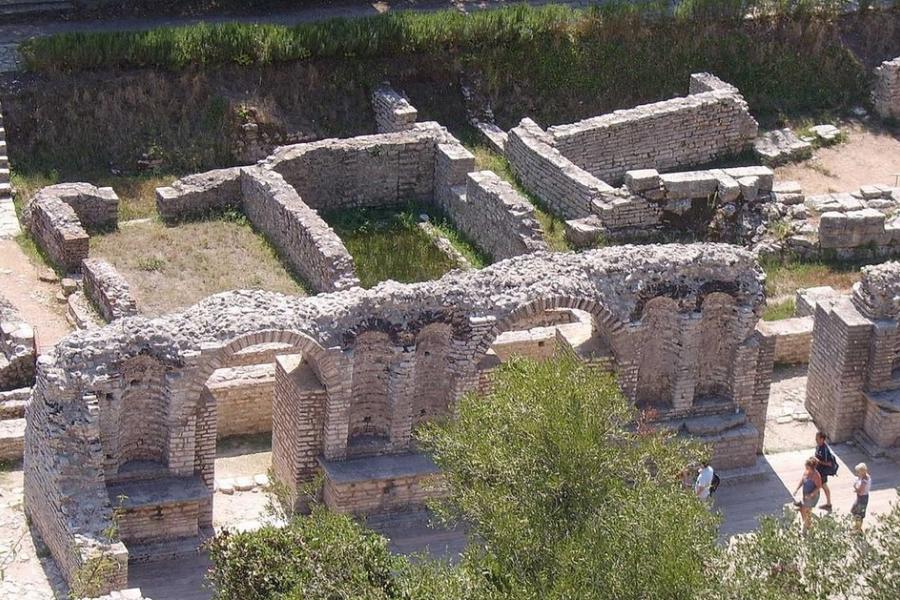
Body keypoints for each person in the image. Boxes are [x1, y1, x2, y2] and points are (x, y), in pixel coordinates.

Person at [793, 457, 823, 532]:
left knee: (805, 510)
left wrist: (811, 495)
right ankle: (808, 524)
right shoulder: (806, 472)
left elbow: (819, 487)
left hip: (812, 496)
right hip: (805, 495)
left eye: (807, 466)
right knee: (804, 510)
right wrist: (797, 489)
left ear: (811, 467)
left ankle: (805, 527)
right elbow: (802, 480)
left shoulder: (816, 475)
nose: (805, 467)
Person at [814, 431, 837, 511]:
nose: (816, 440)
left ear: (822, 439)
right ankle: (828, 504)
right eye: (816, 438)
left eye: (817, 438)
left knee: (822, 486)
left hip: (822, 472)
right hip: (817, 470)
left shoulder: (825, 450)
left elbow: (830, 464)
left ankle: (828, 504)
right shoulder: (818, 447)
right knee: (821, 486)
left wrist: (819, 462)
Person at [851, 462, 872, 532]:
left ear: (862, 472)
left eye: (858, 472)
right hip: (861, 497)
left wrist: (855, 488)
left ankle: (858, 529)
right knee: (854, 511)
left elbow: (861, 491)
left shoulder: (864, 480)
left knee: (859, 514)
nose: (857, 473)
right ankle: (856, 527)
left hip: (862, 498)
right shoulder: (863, 477)